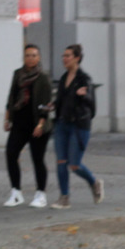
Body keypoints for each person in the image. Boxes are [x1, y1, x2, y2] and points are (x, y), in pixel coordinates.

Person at [50, 44, 102, 209]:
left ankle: (94, 182)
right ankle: (64, 198)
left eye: (68, 56)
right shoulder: (64, 78)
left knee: (74, 165)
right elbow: (61, 100)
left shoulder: (84, 79)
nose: (64, 59)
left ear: (77, 58)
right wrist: (53, 105)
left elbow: (92, 105)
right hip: (62, 124)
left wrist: (84, 95)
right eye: (63, 56)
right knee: (60, 161)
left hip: (79, 126)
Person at [2, 44, 52, 208]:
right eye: (27, 55)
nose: (30, 58)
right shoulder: (18, 74)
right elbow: (11, 96)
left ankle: (41, 194)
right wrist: (7, 118)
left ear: (38, 58)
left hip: (37, 124)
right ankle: (16, 192)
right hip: (19, 122)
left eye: (33, 55)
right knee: (11, 153)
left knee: (37, 159)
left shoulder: (43, 77)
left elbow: (46, 103)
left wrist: (40, 124)